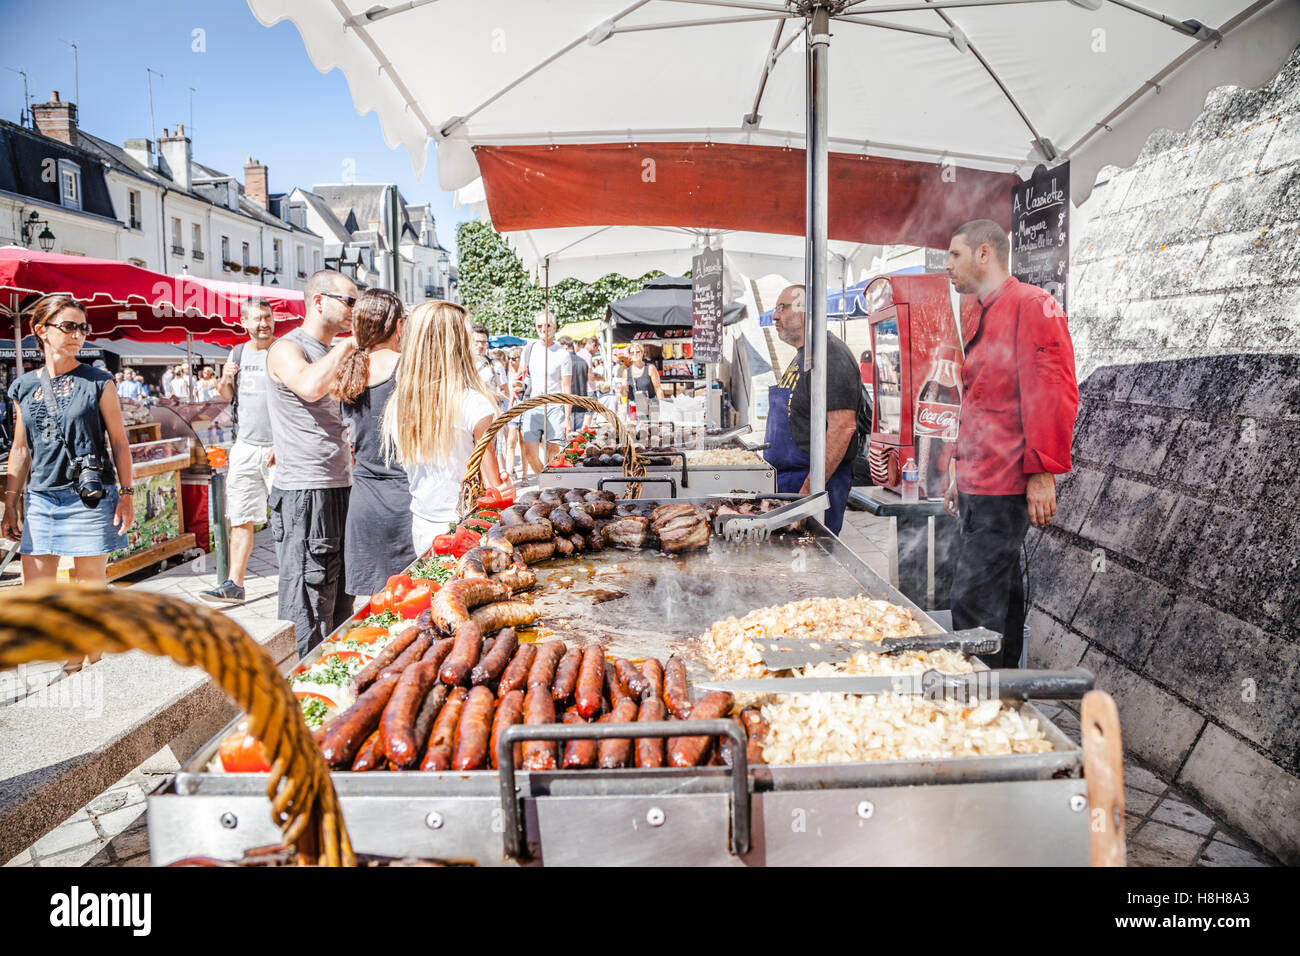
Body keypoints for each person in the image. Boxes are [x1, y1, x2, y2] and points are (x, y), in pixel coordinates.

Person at [942, 219, 1079, 670]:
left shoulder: (1033, 304)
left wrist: (1043, 472)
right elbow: (980, 402)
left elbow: (1052, 391)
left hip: (1006, 485)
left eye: (954, 255)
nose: (948, 266)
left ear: (985, 253)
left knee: (972, 601)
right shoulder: (981, 311)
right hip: (980, 481)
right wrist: (958, 472)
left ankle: (976, 704)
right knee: (1000, 597)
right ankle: (1004, 697)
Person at [2, 295, 135, 586]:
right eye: (69, 326)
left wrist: (127, 494)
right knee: (38, 595)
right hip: (41, 498)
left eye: (83, 328)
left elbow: (119, 442)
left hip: (89, 498)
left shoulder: (99, 381)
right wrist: (11, 505)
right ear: (40, 330)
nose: (78, 335)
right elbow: (21, 449)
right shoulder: (23, 386)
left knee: (89, 595)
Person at [265, 270, 359, 657]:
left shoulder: (333, 351)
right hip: (306, 491)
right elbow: (308, 386)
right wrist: (351, 344)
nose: (355, 309)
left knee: (340, 600)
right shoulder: (287, 348)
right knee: (308, 602)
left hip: (340, 485)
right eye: (349, 301)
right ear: (319, 301)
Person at [381, 301, 514, 555]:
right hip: (468, 530)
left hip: (423, 526)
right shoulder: (473, 403)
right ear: (458, 345)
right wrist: (507, 491)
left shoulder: (400, 404)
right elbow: (494, 490)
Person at [333, 289, 415, 598]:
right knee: (416, 607)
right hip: (405, 499)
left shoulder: (348, 370)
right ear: (398, 327)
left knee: (375, 612)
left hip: (364, 501)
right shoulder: (407, 368)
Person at [764, 284, 865, 535]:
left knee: (811, 564)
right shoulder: (804, 356)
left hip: (814, 489)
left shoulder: (830, 354)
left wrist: (807, 495)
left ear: (805, 311)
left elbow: (843, 427)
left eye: (781, 308)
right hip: (790, 485)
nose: (774, 316)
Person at [201, 297, 278, 605]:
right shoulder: (237, 352)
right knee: (241, 516)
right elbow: (226, 396)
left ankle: (293, 579)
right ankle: (234, 583)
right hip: (245, 446)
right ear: (244, 323)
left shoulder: (282, 352)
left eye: (268, 317)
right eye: (258, 318)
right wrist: (225, 379)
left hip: (278, 448)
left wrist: (284, 441)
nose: (264, 323)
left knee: (288, 519)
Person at [512, 312, 572, 475]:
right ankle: (545, 479)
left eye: (547, 325)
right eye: (540, 325)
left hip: (555, 406)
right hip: (533, 405)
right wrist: (516, 383)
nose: (543, 329)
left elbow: (566, 388)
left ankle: (549, 488)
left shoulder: (563, 354)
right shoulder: (529, 349)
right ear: (536, 328)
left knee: (553, 450)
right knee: (530, 454)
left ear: (554, 327)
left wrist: (567, 417)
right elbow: (520, 374)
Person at [620, 342, 664, 408]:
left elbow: (658, 389)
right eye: (632, 352)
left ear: (642, 353)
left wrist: (662, 406)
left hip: (650, 407)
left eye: (638, 352)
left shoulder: (650, 368)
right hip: (633, 408)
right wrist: (623, 387)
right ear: (629, 355)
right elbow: (624, 394)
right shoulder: (626, 372)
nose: (635, 354)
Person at [560, 336, 589, 432]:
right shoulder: (583, 362)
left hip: (567, 404)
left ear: (564, 347)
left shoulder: (563, 361)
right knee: (577, 438)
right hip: (581, 403)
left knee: (566, 439)